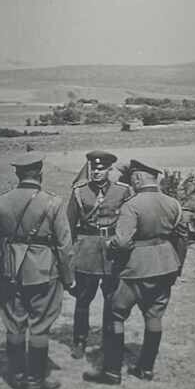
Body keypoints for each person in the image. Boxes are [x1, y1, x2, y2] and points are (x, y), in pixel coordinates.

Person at [83, 158, 185, 386]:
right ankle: (146, 369)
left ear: (138, 178)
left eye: (133, 178)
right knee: (154, 316)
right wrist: (177, 267)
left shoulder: (132, 205)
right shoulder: (173, 203)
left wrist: (109, 245)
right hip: (165, 265)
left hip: (135, 268)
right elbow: (181, 239)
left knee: (115, 315)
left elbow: (122, 242)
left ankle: (111, 372)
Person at [0, 154, 74, 389]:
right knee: (39, 326)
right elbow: (65, 246)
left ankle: (16, 376)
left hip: (10, 270)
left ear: (18, 174)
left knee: (14, 325)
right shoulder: (53, 203)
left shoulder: (1, 202)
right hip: (44, 271)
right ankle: (36, 379)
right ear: (40, 173)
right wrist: (69, 278)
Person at [66, 150, 131, 358]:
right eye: (94, 168)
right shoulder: (79, 191)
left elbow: (129, 222)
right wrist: (71, 254)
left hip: (112, 250)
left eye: (102, 168)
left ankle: (110, 340)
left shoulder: (123, 191)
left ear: (109, 170)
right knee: (83, 298)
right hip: (87, 250)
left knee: (112, 298)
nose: (97, 172)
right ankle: (79, 340)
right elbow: (69, 225)